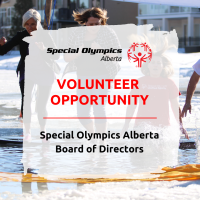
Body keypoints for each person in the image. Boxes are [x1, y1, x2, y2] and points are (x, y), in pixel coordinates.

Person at [0, 9, 59, 139]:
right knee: (26, 100)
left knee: (41, 104)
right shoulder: (21, 35)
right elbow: (3, 51)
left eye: (32, 24)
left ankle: (43, 131)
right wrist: (1, 44)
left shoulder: (45, 35)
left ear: (37, 24)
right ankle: (27, 132)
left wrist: (44, 49)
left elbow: (56, 55)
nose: (29, 27)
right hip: (27, 72)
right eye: (27, 24)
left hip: (45, 71)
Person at [63, 7, 121, 133]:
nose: (94, 27)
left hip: (103, 75)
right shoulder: (76, 34)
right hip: (83, 77)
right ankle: (93, 133)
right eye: (91, 24)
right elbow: (66, 57)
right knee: (82, 113)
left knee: (99, 108)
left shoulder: (108, 32)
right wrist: (78, 52)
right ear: (85, 23)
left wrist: (101, 50)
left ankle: (102, 140)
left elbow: (117, 56)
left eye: (97, 24)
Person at [121, 50, 189, 139]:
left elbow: (175, 106)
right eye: (152, 62)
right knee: (141, 152)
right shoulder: (139, 82)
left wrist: (181, 126)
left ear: (162, 66)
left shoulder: (170, 83)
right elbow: (131, 105)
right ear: (148, 65)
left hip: (163, 127)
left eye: (158, 63)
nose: (155, 65)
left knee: (162, 152)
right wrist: (126, 124)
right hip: (142, 127)